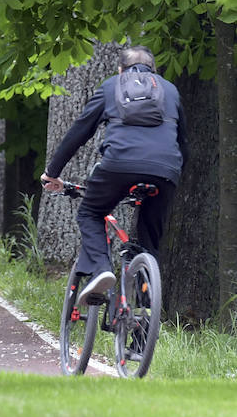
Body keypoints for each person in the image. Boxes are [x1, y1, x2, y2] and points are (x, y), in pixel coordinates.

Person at [41, 45, 187, 305]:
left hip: (118, 166)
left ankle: (101, 270)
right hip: (165, 170)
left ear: (121, 69)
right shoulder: (170, 90)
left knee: (90, 213)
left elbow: (80, 131)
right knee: (149, 242)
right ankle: (143, 328)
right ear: (154, 69)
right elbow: (182, 141)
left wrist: (52, 172)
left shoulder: (112, 86)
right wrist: (171, 175)